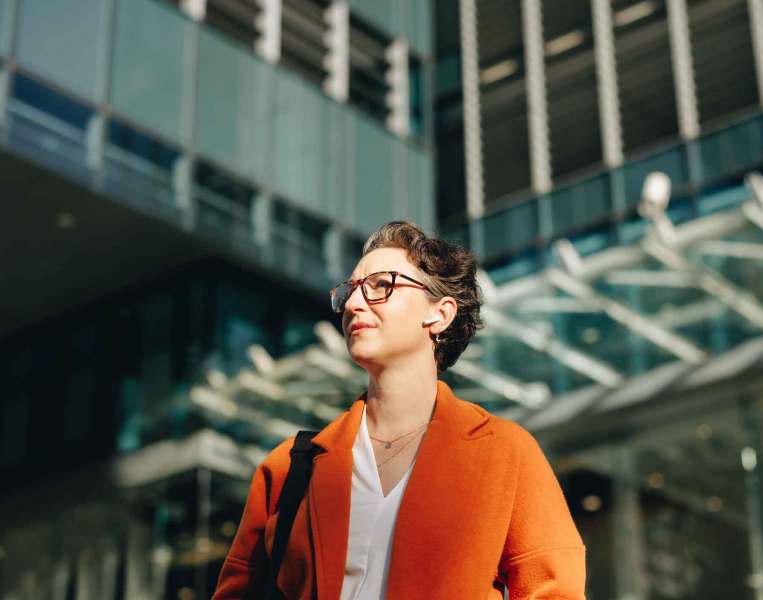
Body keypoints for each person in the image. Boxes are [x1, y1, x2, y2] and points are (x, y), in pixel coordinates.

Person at [213, 221, 585, 599]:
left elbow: (556, 590)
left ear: (439, 314)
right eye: (350, 291)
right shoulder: (289, 467)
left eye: (381, 285)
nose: (354, 304)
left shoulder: (505, 452)